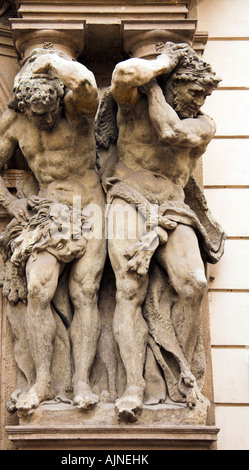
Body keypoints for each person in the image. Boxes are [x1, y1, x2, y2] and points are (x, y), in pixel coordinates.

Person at [0, 49, 106, 412]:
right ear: (24, 107)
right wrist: (11, 203)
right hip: (48, 209)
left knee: (86, 292)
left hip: (90, 205)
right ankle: (43, 382)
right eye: (40, 114)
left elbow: (85, 83)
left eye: (51, 108)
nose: (48, 117)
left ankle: (81, 380)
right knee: (37, 289)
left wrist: (50, 62)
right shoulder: (14, 122)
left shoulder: (75, 108)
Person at [105, 43, 223, 421]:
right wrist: (164, 64)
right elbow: (123, 74)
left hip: (173, 205)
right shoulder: (129, 102)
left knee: (193, 284)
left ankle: (180, 375)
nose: (200, 100)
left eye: (205, 95)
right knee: (128, 288)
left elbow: (171, 132)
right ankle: (133, 385)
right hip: (127, 197)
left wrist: (154, 87)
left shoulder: (203, 123)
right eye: (194, 92)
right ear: (174, 83)